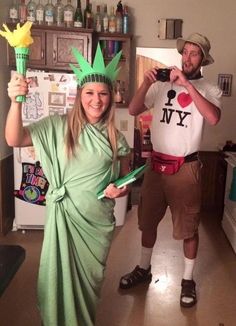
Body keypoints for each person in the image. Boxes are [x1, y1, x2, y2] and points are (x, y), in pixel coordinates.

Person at [6, 44, 131, 326]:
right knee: (57, 282)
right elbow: (15, 139)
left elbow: (123, 181)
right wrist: (16, 101)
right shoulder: (57, 126)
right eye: (89, 93)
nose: (96, 100)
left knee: (87, 287)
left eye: (103, 93)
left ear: (111, 98)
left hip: (96, 224)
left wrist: (120, 189)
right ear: (79, 96)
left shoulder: (116, 139)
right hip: (64, 216)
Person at [119, 33, 222, 308]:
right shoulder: (161, 86)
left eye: (194, 53)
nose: (187, 58)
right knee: (147, 221)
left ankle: (187, 280)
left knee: (189, 227)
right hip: (155, 165)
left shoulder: (209, 89)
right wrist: (145, 83)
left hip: (186, 168)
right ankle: (143, 268)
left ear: (203, 59)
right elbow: (132, 109)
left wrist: (188, 85)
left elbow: (213, 117)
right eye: (185, 52)